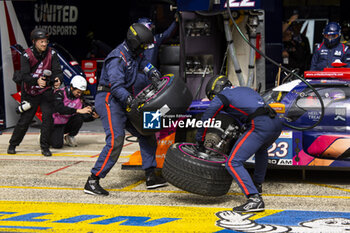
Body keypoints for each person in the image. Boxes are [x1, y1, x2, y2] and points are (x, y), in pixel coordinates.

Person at [84, 23, 167, 196]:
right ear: (135, 42)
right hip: (109, 98)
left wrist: (153, 73)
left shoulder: (134, 54)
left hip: (124, 99)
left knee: (146, 131)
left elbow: (144, 63)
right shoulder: (117, 58)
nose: (145, 48)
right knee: (116, 140)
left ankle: (151, 175)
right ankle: (93, 180)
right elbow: (115, 87)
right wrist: (130, 100)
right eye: (143, 44)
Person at [195, 75, 283, 212]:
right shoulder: (245, 89)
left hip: (259, 125)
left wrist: (200, 139)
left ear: (216, 89)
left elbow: (207, 117)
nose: (213, 99)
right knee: (261, 150)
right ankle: (257, 186)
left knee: (233, 162)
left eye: (212, 96)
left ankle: (254, 199)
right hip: (275, 124)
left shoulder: (222, 96)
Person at [7, 28, 63, 157]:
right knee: (25, 120)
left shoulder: (52, 53)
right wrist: (36, 81)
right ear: (34, 42)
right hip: (30, 92)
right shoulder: (26, 55)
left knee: (48, 119)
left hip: (46, 92)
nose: (44, 44)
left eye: (46, 41)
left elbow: (58, 71)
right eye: (41, 41)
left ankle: (45, 147)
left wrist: (58, 80)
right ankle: (13, 144)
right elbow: (24, 76)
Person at [50, 75, 98, 148]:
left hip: (67, 123)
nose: (79, 94)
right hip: (56, 124)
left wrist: (93, 116)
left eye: (81, 92)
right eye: (78, 92)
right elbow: (59, 109)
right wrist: (77, 110)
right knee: (57, 145)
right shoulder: (60, 93)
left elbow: (83, 116)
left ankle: (70, 136)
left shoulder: (79, 97)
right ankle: (48, 134)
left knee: (79, 117)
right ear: (72, 87)